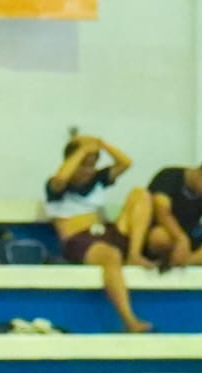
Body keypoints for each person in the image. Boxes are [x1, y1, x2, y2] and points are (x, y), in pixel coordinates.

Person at [44, 133, 154, 333]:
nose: (88, 171)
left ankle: (135, 254)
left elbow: (125, 162)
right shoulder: (56, 185)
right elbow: (61, 178)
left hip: (105, 232)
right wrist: (83, 149)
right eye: (83, 165)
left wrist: (100, 144)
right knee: (111, 255)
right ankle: (129, 320)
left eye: (92, 165)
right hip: (79, 240)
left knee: (140, 194)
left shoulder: (97, 180)